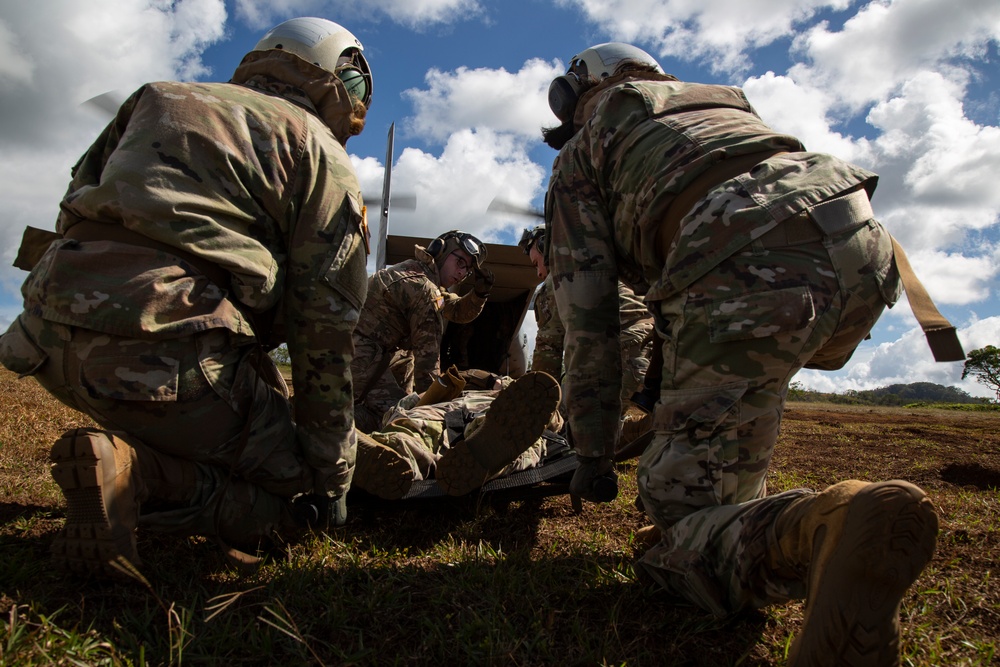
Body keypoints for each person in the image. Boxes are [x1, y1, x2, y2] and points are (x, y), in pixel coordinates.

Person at [541, 42, 942, 664]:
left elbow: (590, 321)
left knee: (673, 519)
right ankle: (754, 510)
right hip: (863, 244)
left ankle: (818, 529)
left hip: (748, 263)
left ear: (573, 97)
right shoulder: (719, 106)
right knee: (733, 423)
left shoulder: (582, 152)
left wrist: (592, 451)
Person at [0, 17, 374, 578]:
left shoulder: (158, 97)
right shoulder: (318, 151)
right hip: (168, 356)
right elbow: (324, 333)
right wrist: (331, 475)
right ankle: (138, 476)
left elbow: (73, 202)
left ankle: (133, 451)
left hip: (45, 333)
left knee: (208, 409)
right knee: (292, 493)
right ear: (343, 79)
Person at [352, 230, 494, 432]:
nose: (462, 273)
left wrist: (480, 294)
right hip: (359, 353)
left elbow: (455, 310)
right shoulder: (423, 288)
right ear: (441, 252)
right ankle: (328, 426)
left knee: (404, 403)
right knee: (397, 420)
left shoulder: (420, 273)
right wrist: (439, 416)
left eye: (468, 270)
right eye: (460, 263)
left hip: (369, 352)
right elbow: (427, 365)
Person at [352, 370, 562, 499]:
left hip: (484, 418)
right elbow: (400, 409)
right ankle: (383, 456)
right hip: (441, 415)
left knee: (513, 432)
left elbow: (546, 416)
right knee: (407, 431)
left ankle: (486, 453)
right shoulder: (444, 393)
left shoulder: (518, 395)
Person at [519, 226, 653, 404]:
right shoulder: (611, 260)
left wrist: (537, 399)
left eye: (537, 264)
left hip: (619, 363)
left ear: (547, 246)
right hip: (658, 357)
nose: (539, 273)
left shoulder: (560, 275)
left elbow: (549, 348)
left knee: (590, 424)